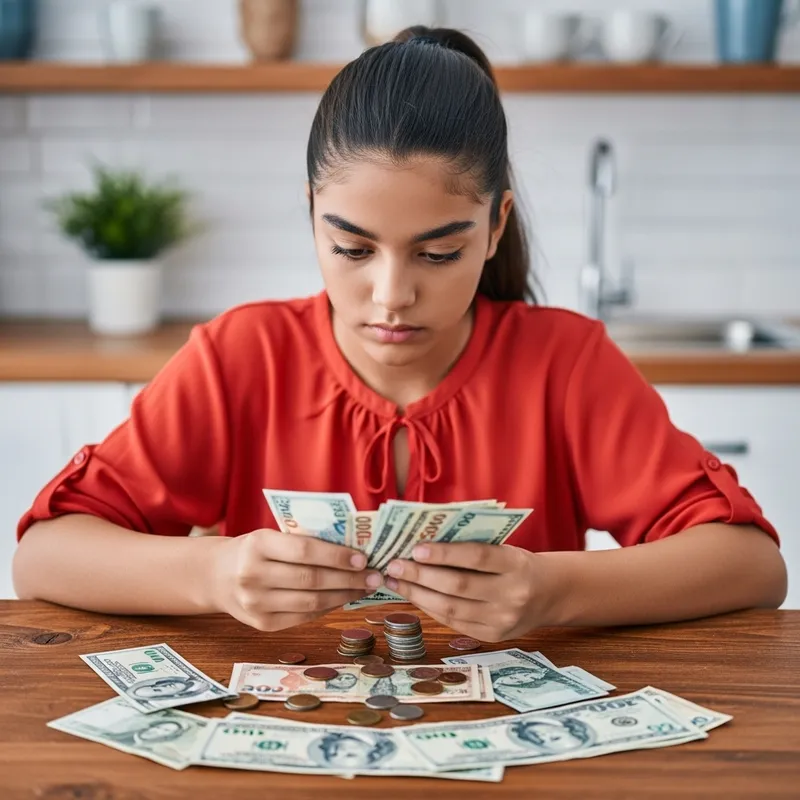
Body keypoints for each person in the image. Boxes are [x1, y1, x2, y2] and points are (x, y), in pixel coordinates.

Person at [12, 27, 786, 642]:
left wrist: (555, 591)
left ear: (495, 228)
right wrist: (213, 573)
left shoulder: (565, 363)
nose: (391, 296)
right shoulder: (240, 357)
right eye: (351, 248)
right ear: (311, 212)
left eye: (439, 253)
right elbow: (44, 557)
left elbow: (752, 566)